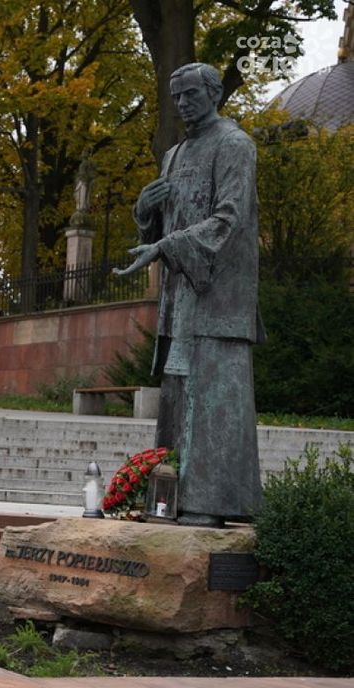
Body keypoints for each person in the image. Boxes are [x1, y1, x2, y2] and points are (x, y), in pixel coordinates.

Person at [114, 62, 264, 528]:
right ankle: (171, 499)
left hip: (218, 301)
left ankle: (214, 504)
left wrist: (165, 246)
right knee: (179, 396)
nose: (181, 103)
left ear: (214, 93)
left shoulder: (234, 144)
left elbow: (229, 220)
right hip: (179, 300)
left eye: (191, 94)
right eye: (176, 95)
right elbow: (163, 230)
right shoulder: (173, 155)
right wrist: (145, 214)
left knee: (215, 399)